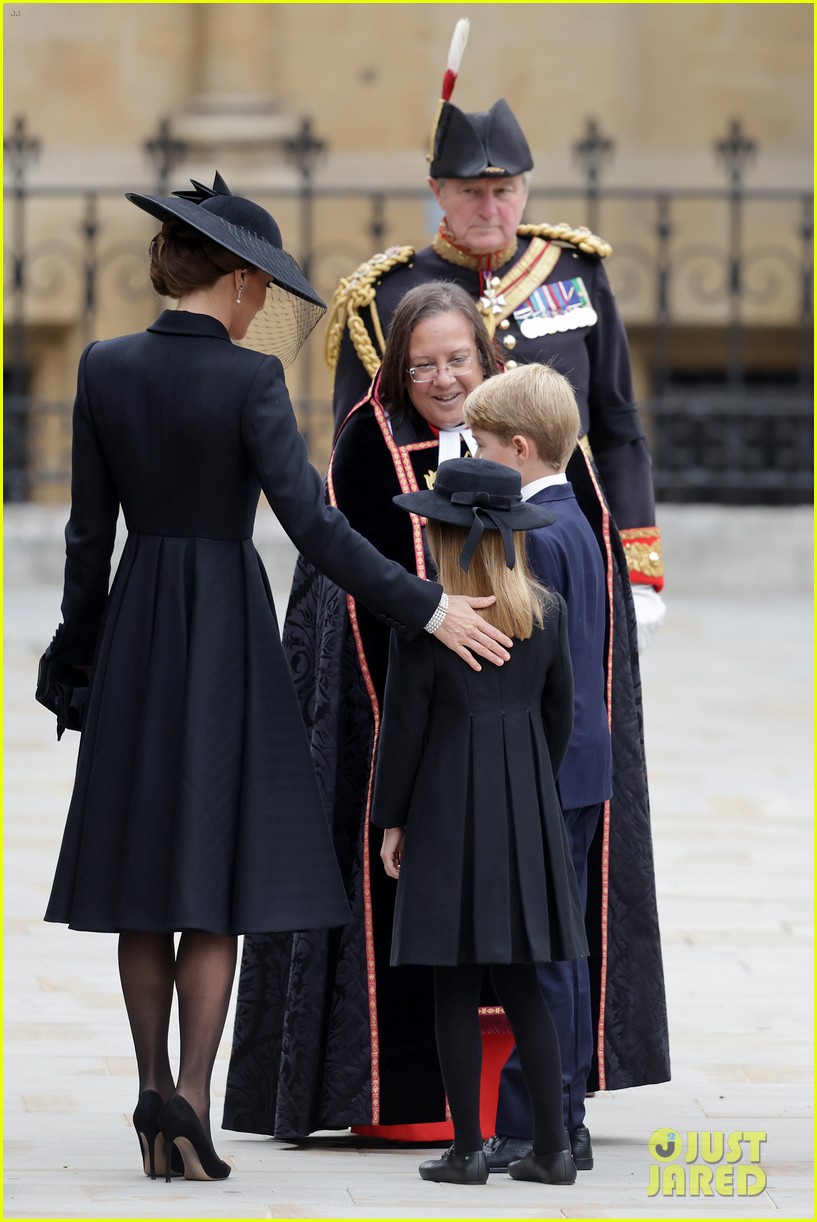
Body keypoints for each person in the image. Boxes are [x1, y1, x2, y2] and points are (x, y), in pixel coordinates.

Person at [36, 174, 513, 1183]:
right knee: (211, 876)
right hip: (222, 631)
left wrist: (77, 660)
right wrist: (424, 603)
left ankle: (148, 1081)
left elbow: (87, 542)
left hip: (137, 632)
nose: (262, 305)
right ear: (242, 280)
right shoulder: (250, 382)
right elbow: (316, 527)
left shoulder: (101, 366)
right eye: (261, 288)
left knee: (141, 883)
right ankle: (193, 1101)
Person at [324, 22, 671, 1119]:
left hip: (565, 581)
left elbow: (617, 427)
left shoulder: (575, 275)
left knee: (571, 807)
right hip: (433, 585)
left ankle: (558, 1081)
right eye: (472, 189)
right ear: (437, 188)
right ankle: (423, 1089)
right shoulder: (387, 294)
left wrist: (641, 560)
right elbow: (354, 441)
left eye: (507, 186)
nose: (492, 205)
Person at [223, 281, 512, 1143]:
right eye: (421, 364)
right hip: (390, 696)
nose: (442, 378)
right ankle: (394, 1097)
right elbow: (367, 578)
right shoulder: (367, 439)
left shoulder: (515, 424)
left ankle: (513, 1090)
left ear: (483, 356)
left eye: (456, 359)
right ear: (396, 366)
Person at [371, 456, 588, 1187]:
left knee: (455, 984)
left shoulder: (428, 620)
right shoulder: (545, 612)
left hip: (444, 804)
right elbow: (561, 715)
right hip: (524, 809)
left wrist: (391, 821)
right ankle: (553, 1147)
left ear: (443, 536)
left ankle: (468, 1149)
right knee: (524, 977)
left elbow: (401, 731)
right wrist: (527, 781)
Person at [463, 363, 612, 1172]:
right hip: (582, 768)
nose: (477, 457)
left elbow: (522, 665)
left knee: (538, 954)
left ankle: (533, 1124)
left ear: (517, 448)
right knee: (562, 951)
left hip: (544, 770)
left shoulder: (530, 534)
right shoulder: (576, 520)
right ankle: (567, 1118)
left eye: (482, 446)